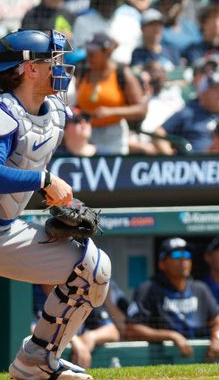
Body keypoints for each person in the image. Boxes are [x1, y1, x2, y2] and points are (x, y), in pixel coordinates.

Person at [0, 30, 111, 380]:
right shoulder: (3, 110)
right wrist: (44, 181)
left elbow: (28, 168)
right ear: (29, 69)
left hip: (4, 231)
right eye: (54, 61)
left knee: (92, 269)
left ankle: (35, 360)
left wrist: (60, 198)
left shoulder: (56, 114)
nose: (62, 68)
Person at [126, 237, 219, 361]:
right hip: (160, 360)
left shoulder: (200, 289)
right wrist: (171, 336)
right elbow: (131, 330)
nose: (183, 259)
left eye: (186, 254)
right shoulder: (148, 289)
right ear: (162, 264)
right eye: (176, 255)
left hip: (200, 359)